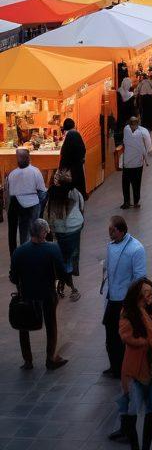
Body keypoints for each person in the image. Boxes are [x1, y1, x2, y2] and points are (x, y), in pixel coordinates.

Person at [117, 277, 152, 449]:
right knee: (131, 411)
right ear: (138, 294)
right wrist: (145, 342)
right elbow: (126, 336)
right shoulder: (129, 313)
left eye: (151, 292)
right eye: (146, 292)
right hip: (136, 370)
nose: (150, 295)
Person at [9, 218, 67, 370]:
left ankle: (28, 360)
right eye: (46, 231)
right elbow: (62, 272)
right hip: (47, 294)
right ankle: (50, 358)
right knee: (51, 325)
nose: (47, 233)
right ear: (42, 233)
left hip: (27, 295)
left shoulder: (19, 251)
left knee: (23, 327)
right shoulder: (53, 248)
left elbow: (13, 277)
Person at [103, 216, 147, 381]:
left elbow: (140, 277)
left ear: (121, 230)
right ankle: (115, 366)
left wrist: (132, 300)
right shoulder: (111, 246)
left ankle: (128, 367)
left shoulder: (136, 249)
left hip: (126, 301)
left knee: (126, 335)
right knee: (111, 334)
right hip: (112, 298)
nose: (109, 233)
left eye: (112, 230)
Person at [44, 168, 84, 300]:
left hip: (58, 230)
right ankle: (71, 287)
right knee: (71, 257)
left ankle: (61, 283)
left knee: (62, 256)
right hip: (74, 228)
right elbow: (81, 207)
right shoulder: (74, 192)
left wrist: (50, 229)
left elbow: (47, 212)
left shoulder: (51, 193)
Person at [5, 147, 46, 257]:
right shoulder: (35, 171)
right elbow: (42, 191)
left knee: (18, 231)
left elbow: (8, 193)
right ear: (28, 158)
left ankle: (17, 254)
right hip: (31, 203)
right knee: (32, 229)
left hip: (15, 204)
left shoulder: (12, 174)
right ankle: (32, 252)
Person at [121, 115, 152, 210]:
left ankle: (127, 202)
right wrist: (147, 153)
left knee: (126, 183)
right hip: (136, 163)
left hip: (128, 162)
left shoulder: (126, 130)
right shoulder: (143, 132)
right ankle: (135, 202)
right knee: (136, 184)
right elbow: (148, 145)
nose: (132, 126)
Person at [58, 118, 87, 199]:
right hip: (77, 164)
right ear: (73, 125)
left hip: (72, 165)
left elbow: (65, 152)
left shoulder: (70, 135)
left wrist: (62, 166)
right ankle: (81, 196)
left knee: (73, 182)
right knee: (79, 182)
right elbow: (83, 148)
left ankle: (75, 198)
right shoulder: (75, 133)